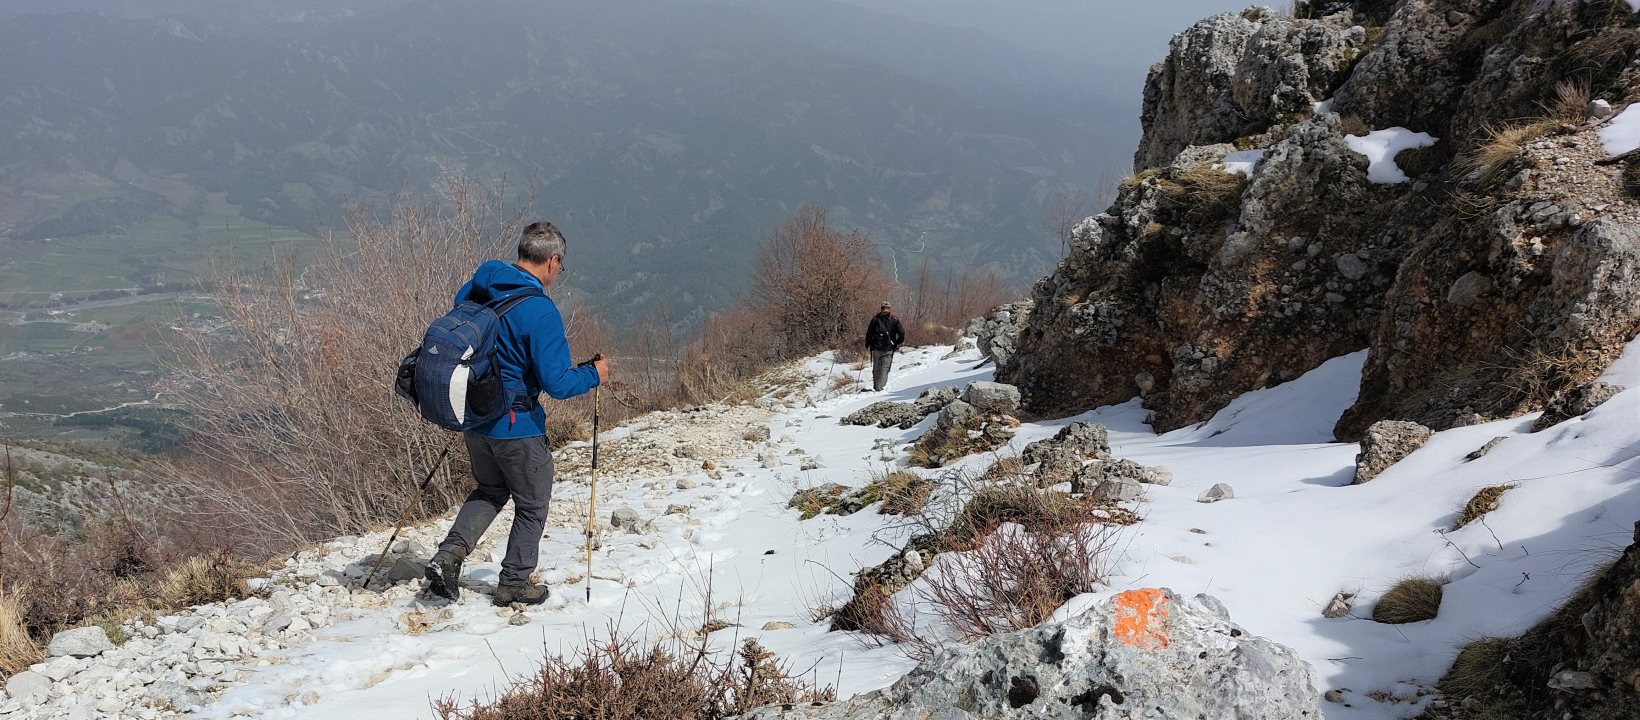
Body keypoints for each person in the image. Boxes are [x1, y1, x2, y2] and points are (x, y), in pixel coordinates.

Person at [425, 221, 610, 606]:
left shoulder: (477, 288)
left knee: (490, 490)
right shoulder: (540, 311)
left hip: (476, 419)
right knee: (532, 503)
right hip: (517, 425)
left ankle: (448, 556)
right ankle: (513, 582)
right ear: (553, 260)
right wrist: (594, 374)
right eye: (561, 265)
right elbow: (557, 383)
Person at [864, 302, 905, 392]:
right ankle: (880, 387)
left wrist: (867, 344)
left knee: (876, 367)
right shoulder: (894, 319)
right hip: (888, 348)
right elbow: (902, 333)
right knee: (885, 368)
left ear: (881, 308)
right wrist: (897, 343)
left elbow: (869, 333)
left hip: (876, 348)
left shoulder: (875, 319)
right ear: (889, 309)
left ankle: (876, 386)